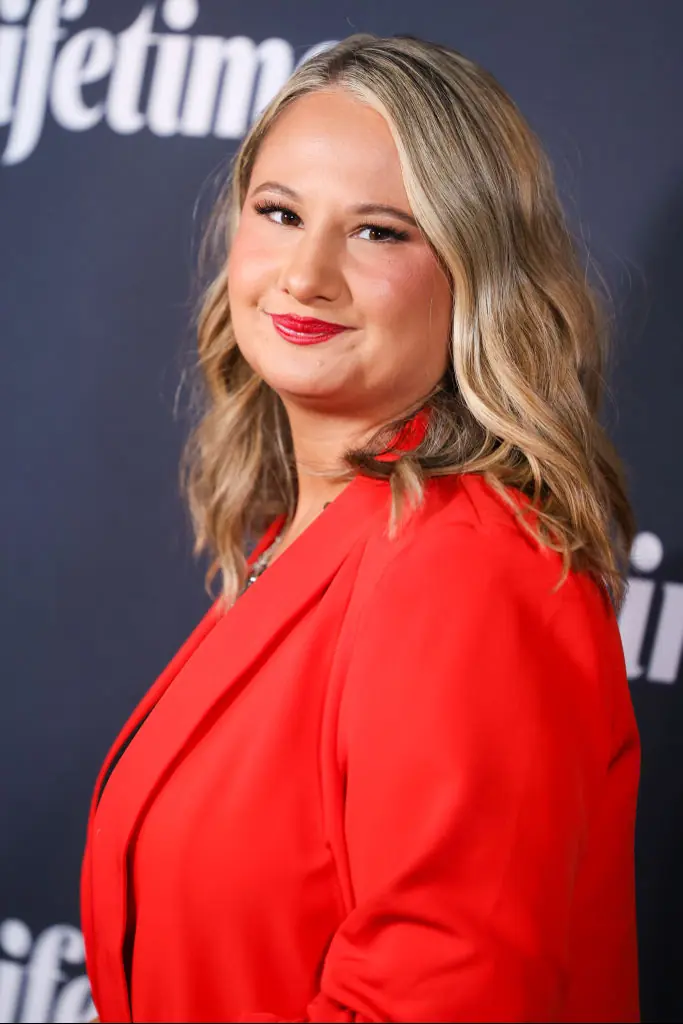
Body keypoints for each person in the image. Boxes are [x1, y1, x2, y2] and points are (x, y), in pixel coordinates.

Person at [80, 33, 640, 1024]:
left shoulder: (465, 570)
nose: (305, 274)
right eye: (280, 213)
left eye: (378, 232)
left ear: (474, 272)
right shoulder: (312, 536)